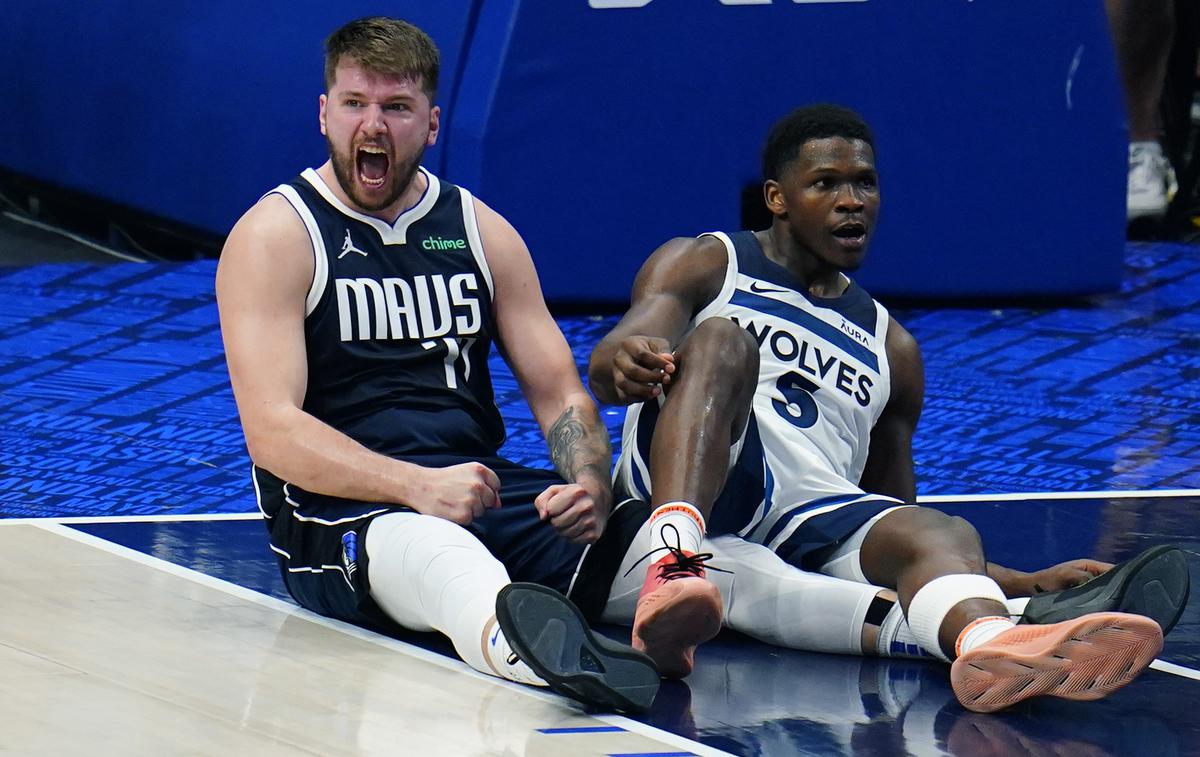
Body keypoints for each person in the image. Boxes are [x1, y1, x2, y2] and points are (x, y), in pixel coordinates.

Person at [587, 103, 1169, 713]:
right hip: (708, 477)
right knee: (721, 339)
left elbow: (893, 510)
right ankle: (674, 560)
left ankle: (995, 641)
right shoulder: (709, 261)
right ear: (777, 198)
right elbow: (612, 361)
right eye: (826, 183)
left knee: (943, 529)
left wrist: (1010, 577)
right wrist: (625, 360)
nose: (851, 199)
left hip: (805, 516)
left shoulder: (893, 347)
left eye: (865, 182)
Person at [215, 16, 658, 714]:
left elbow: (559, 391)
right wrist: (413, 485)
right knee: (442, 554)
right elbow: (271, 430)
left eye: (396, 107)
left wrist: (588, 481)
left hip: (470, 485)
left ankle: (888, 621)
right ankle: (540, 658)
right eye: (356, 104)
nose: (374, 125)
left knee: (675, 551)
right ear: (324, 113)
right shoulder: (276, 234)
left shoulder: (480, 230)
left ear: (432, 123)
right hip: (338, 514)